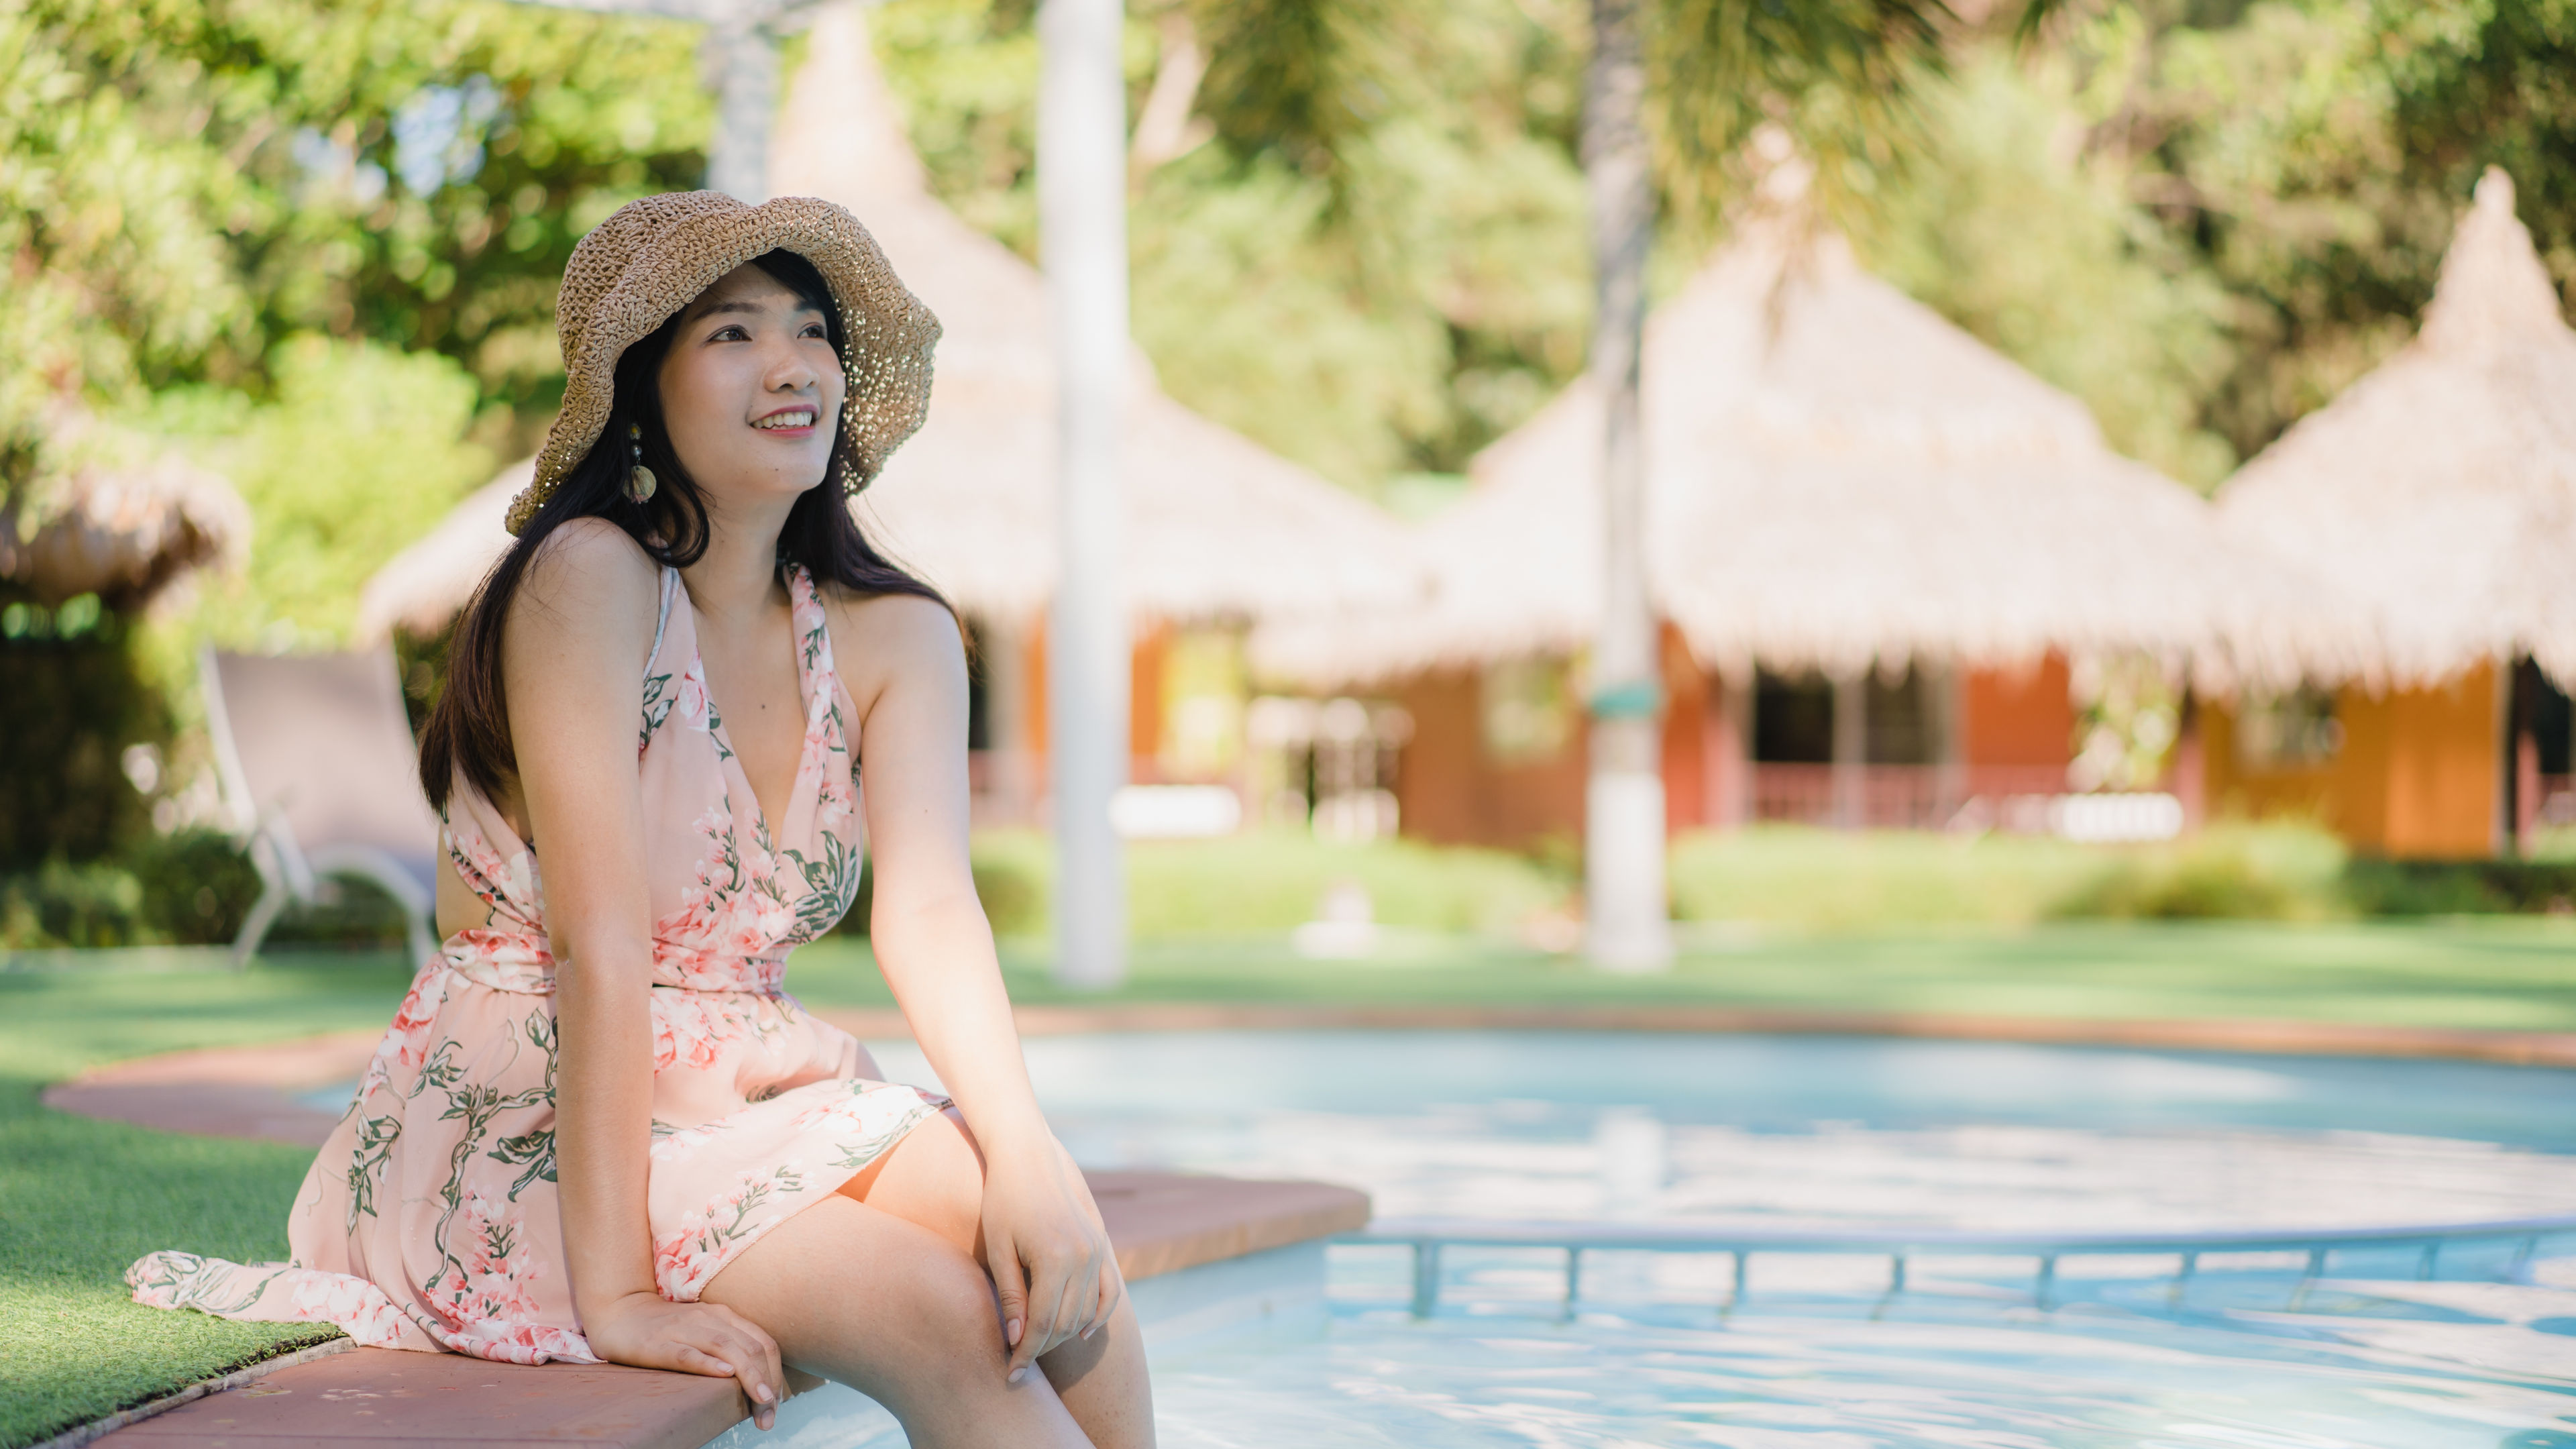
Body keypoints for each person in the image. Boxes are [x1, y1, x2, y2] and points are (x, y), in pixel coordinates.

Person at [127, 192, 1154, 1449]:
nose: (792, 366)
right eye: (731, 334)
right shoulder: (590, 581)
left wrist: (1030, 1154)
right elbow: (594, 947)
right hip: (538, 1120)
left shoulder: (897, 634)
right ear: (643, 387)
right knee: (944, 1317)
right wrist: (616, 1292)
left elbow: (934, 909)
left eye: (813, 331)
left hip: (744, 1094)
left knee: (1063, 1277)